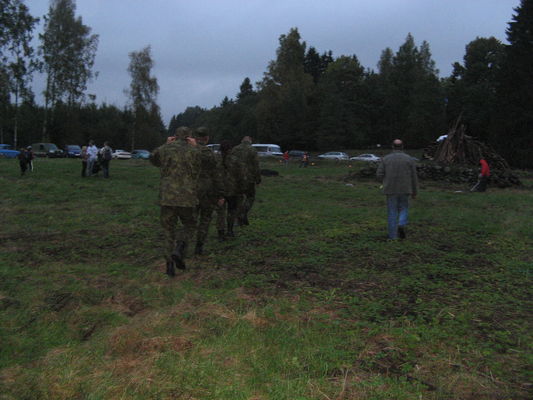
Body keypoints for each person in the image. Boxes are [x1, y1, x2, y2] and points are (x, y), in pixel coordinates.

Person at [150, 126, 201, 276]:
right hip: (187, 196)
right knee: (190, 225)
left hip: (168, 197)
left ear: (174, 136)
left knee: (168, 230)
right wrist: (195, 146)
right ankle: (179, 249)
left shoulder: (166, 149)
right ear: (189, 137)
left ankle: (169, 266)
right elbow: (201, 164)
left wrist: (166, 144)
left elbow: (153, 158)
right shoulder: (194, 151)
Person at [376, 139, 418, 240]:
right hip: (405, 189)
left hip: (390, 189)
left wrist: (384, 181)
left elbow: (379, 174)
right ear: (402, 147)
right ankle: (402, 223)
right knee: (404, 208)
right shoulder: (409, 159)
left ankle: (392, 236)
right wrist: (415, 191)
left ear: (392, 147)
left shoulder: (386, 159)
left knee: (392, 212)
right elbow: (414, 176)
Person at [193, 127, 225, 255]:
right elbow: (217, 176)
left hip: (190, 190)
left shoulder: (188, 152)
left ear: (195, 138)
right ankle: (199, 246)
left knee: (190, 219)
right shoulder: (211, 155)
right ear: (207, 138)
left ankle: (181, 246)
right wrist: (221, 194)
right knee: (205, 219)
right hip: (208, 191)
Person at [215, 141, 244, 239]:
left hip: (219, 190)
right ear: (230, 149)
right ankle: (230, 231)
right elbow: (241, 175)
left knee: (220, 212)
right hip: (232, 190)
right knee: (231, 211)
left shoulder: (216, 160)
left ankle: (220, 233)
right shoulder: (235, 160)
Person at [231, 136, 261, 226]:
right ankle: (243, 212)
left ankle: (238, 217)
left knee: (239, 198)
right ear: (250, 141)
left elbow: (231, 163)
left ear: (241, 141)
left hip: (237, 178)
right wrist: (258, 178)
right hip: (249, 178)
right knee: (250, 197)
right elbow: (256, 165)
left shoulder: (235, 149)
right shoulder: (253, 150)